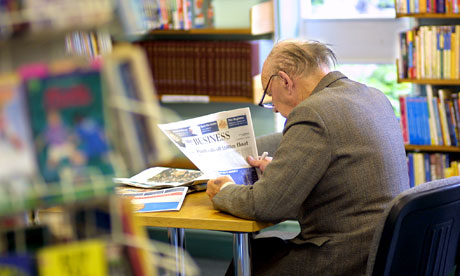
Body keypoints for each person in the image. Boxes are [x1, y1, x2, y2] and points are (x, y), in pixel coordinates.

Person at [206, 39, 409, 275]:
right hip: (387, 253)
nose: (273, 108)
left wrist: (224, 192)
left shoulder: (312, 111)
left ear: (285, 81)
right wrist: (278, 173)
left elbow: (265, 205)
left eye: (270, 95)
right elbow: (341, 179)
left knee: (249, 260)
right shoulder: (373, 97)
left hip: (345, 259)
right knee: (263, 248)